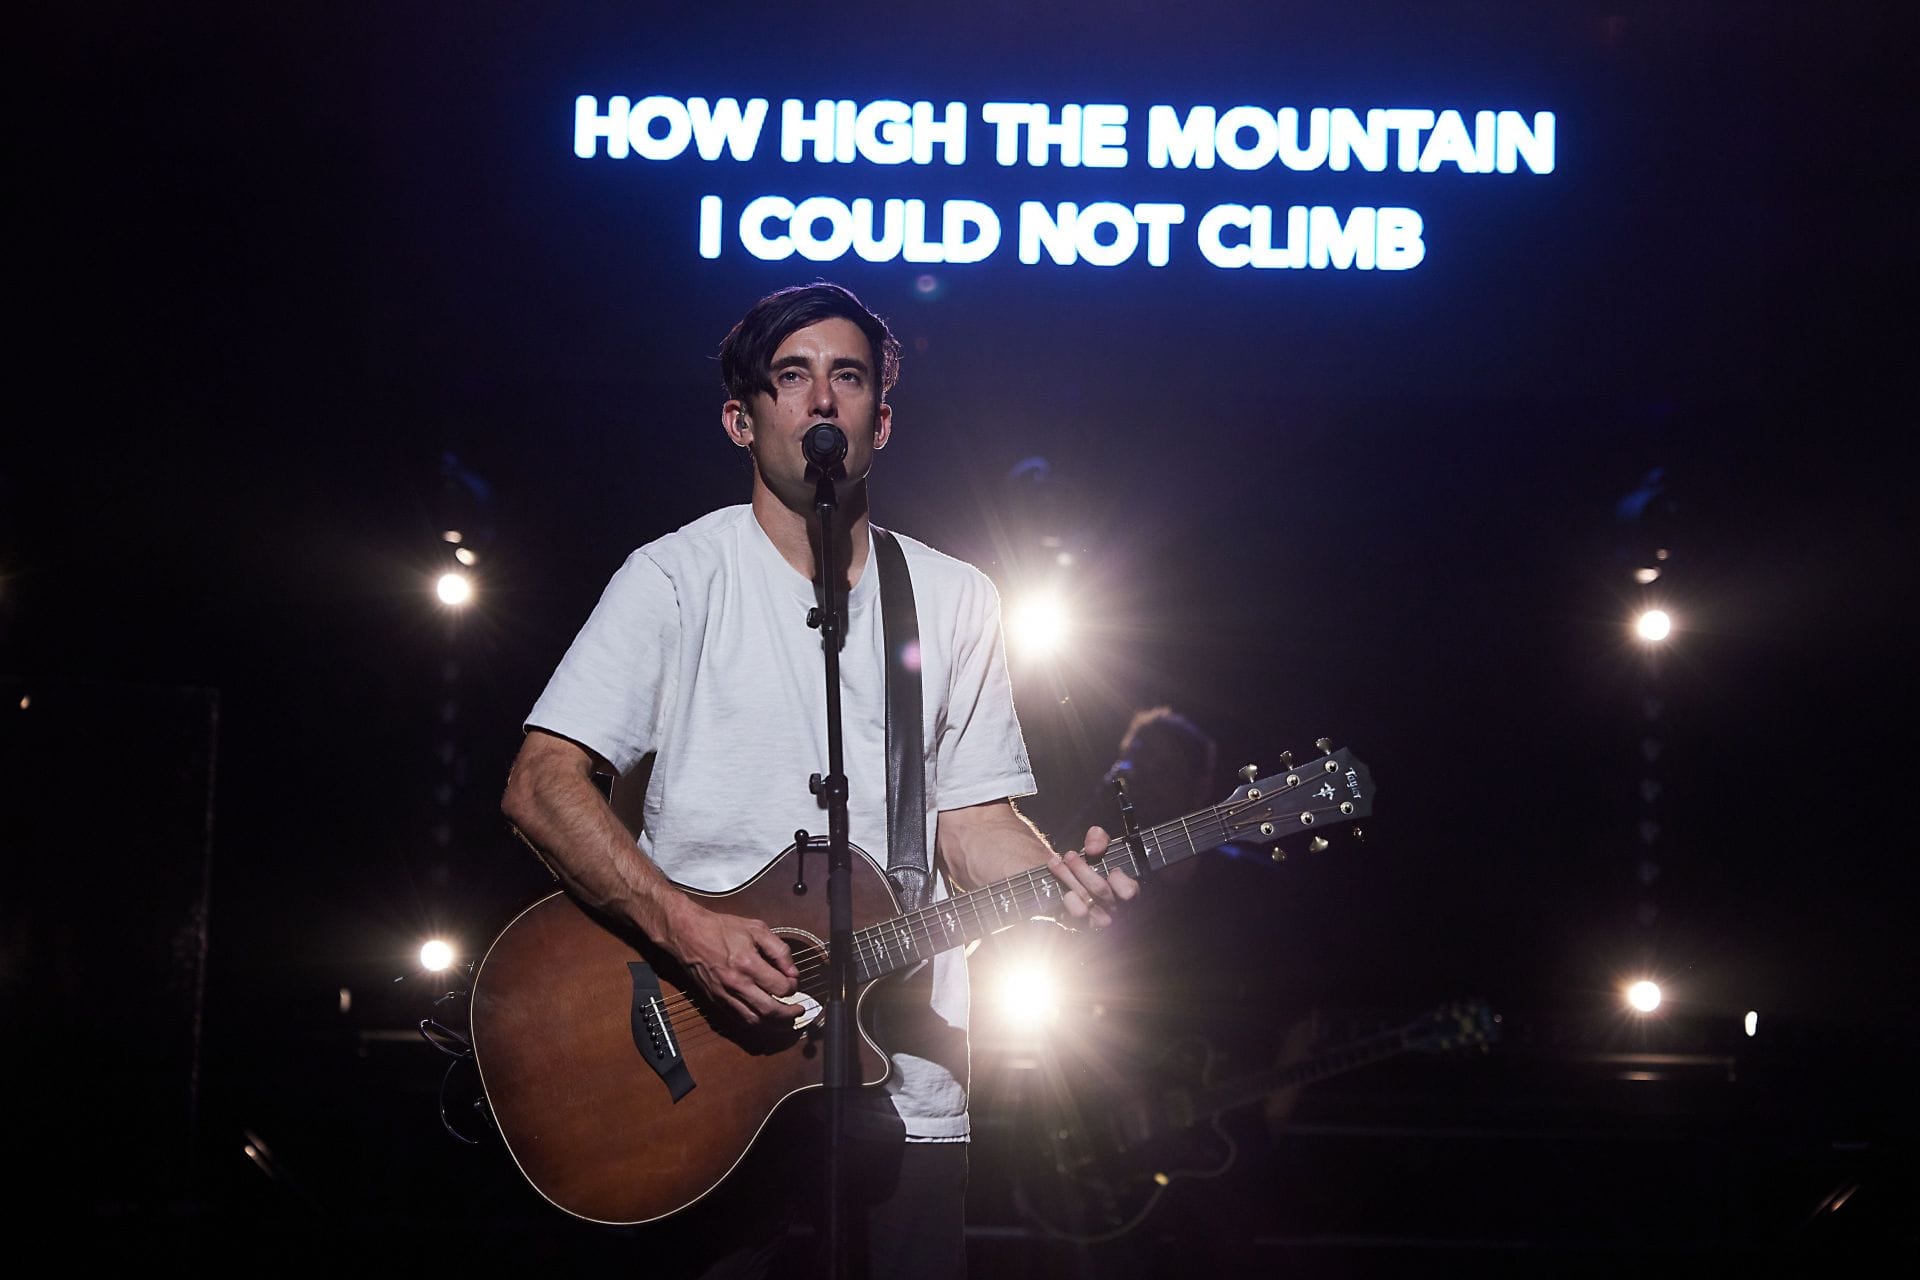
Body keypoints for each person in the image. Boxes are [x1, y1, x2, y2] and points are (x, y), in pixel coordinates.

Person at [499, 282, 1137, 1277]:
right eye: (790, 377)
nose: (821, 401)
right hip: (696, 1084)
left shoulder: (958, 597)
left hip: (906, 1091)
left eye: (847, 377)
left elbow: (971, 820)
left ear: (881, 420)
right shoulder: (671, 579)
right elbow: (541, 785)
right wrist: (689, 931)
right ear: (740, 419)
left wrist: (1057, 873)